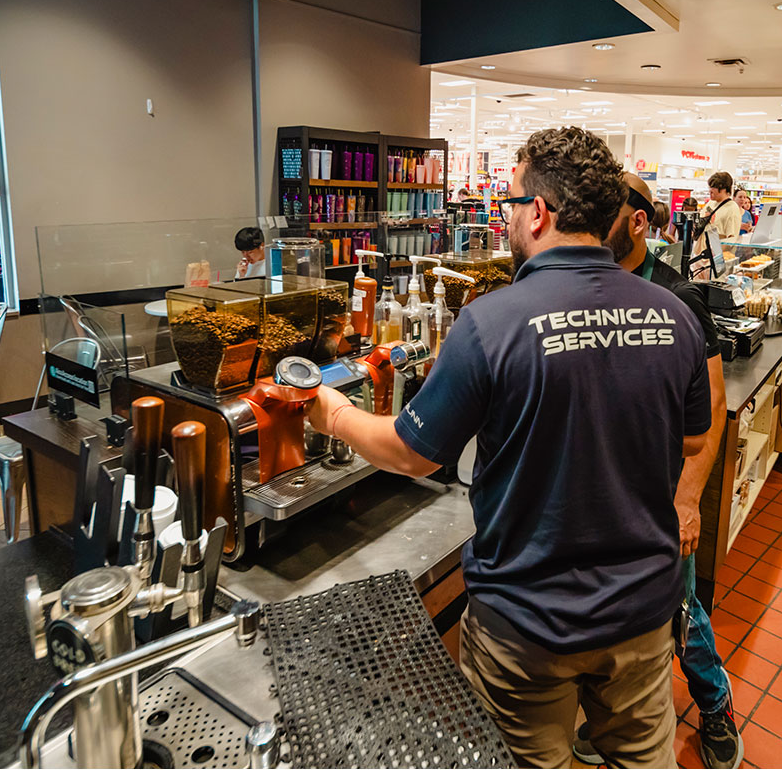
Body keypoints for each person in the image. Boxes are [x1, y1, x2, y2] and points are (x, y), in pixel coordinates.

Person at [305, 126, 712, 767]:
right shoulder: (674, 315)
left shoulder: (492, 322)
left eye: (511, 203)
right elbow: (692, 438)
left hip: (527, 623)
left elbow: (415, 454)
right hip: (641, 614)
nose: (506, 218)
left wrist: (334, 413)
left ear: (540, 213)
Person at [578, 173, 742, 769]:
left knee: (679, 608)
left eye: (606, 211)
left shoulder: (679, 297)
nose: (591, 220)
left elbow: (716, 404)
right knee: (607, 609)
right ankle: (606, 714)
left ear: (639, 220)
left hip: (661, 492)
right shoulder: (580, 284)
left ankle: (715, 704)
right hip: (600, 492)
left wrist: (689, 500)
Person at [701, 172, 740, 243]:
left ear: (723, 189)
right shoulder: (711, 203)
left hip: (717, 250)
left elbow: (732, 239)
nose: (710, 191)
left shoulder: (732, 208)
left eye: (713, 187)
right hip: (703, 248)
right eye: (710, 187)